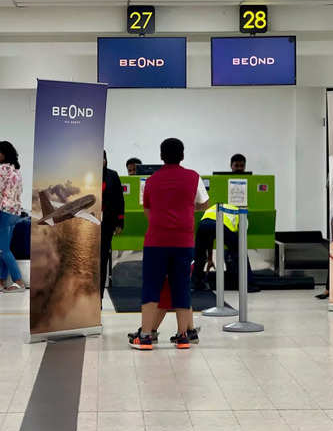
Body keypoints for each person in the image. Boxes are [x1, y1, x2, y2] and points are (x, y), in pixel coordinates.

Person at [128, 138, 209, 350]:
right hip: (183, 241)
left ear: (161, 156)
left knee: (152, 287)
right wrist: (186, 210)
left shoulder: (152, 180)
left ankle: (145, 336)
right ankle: (183, 337)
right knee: (182, 287)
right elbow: (204, 203)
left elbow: (147, 210)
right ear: (182, 155)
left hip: (156, 241)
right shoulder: (193, 177)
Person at [0, 141, 26, 293]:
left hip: (1, 212)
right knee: (5, 248)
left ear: (5, 154)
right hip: (13, 212)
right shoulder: (16, 171)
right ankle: (0, 281)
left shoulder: (1, 170)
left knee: (1, 248)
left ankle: (18, 280)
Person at [192, 203, 259, 293]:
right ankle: (249, 285)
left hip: (203, 225)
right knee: (240, 253)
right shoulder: (241, 214)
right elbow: (240, 237)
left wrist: (209, 259)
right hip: (222, 224)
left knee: (199, 255)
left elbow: (209, 240)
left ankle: (196, 284)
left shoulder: (218, 207)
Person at [101, 150, 125, 299]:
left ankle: (99, 298)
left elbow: (119, 200)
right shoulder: (85, 177)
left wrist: (120, 222)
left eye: (102, 158)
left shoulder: (112, 175)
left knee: (102, 260)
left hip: (107, 224)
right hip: (88, 225)